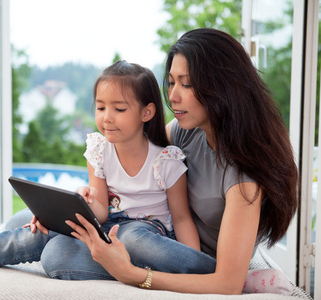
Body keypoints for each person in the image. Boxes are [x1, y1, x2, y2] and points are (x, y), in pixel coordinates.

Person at [41, 28, 298, 295]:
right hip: (157, 231)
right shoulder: (186, 130)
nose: (173, 96)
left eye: (186, 84)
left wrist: (132, 274)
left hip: (188, 255)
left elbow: (226, 285)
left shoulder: (244, 176)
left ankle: (242, 278)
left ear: (223, 86)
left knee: (58, 255)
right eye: (172, 82)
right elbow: (135, 151)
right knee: (28, 222)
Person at [0, 60, 201, 278]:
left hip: (144, 231)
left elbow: (182, 219)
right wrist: (68, 208)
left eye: (119, 109)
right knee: (28, 235)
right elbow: (102, 212)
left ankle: (216, 273)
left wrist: (194, 263)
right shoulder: (99, 150)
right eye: (100, 107)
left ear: (147, 112)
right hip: (104, 228)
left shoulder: (166, 161)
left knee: (135, 239)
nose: (107, 117)